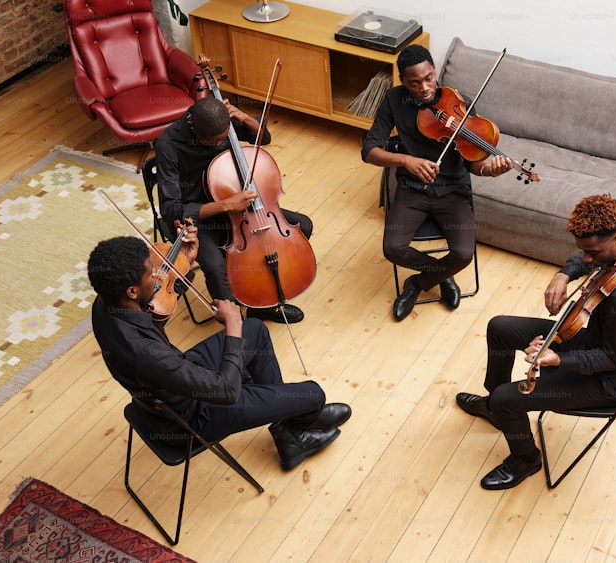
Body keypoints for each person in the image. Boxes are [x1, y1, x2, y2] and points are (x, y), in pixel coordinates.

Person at [87, 227, 350, 471]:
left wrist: (186, 263)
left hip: (175, 381)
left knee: (255, 331)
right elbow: (225, 392)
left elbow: (156, 306)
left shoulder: (106, 303)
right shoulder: (144, 353)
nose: (158, 273)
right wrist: (233, 323)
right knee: (314, 394)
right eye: (150, 272)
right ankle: (296, 426)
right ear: (132, 291)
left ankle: (289, 432)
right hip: (194, 418)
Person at [455, 194, 616, 490]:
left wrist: (556, 359)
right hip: (596, 339)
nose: (587, 260)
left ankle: (526, 459)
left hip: (610, 379)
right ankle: (495, 410)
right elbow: (585, 259)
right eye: (583, 252)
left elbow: (610, 358)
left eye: (592, 253)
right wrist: (563, 274)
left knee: (507, 398)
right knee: (499, 328)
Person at [361, 44, 512, 321]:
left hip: (453, 190)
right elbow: (368, 150)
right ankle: (443, 275)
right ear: (404, 82)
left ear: (435, 71)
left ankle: (417, 284)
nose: (425, 88)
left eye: (429, 78)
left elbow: (472, 162)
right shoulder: (394, 100)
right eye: (414, 83)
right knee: (393, 248)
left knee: (464, 253)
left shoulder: (459, 102)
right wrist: (407, 161)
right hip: (412, 189)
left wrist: (490, 171)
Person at [155, 95, 312, 324]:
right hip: (199, 220)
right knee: (215, 266)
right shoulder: (168, 145)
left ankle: (262, 303)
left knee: (302, 227)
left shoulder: (221, 119)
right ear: (196, 132)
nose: (222, 142)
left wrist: (245, 118)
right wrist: (227, 204)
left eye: (225, 136)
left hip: (241, 211)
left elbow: (263, 137)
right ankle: (235, 324)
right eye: (216, 141)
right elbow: (171, 210)